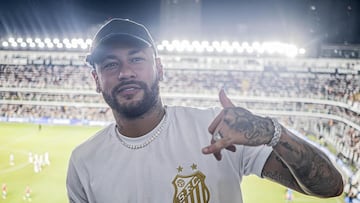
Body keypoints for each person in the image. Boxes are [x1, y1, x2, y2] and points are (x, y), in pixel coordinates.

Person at [66, 18, 344, 203]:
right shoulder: (83, 161)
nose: (125, 72)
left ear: (160, 69)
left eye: (136, 59)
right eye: (110, 65)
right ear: (96, 80)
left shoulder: (217, 128)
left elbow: (330, 186)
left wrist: (272, 132)